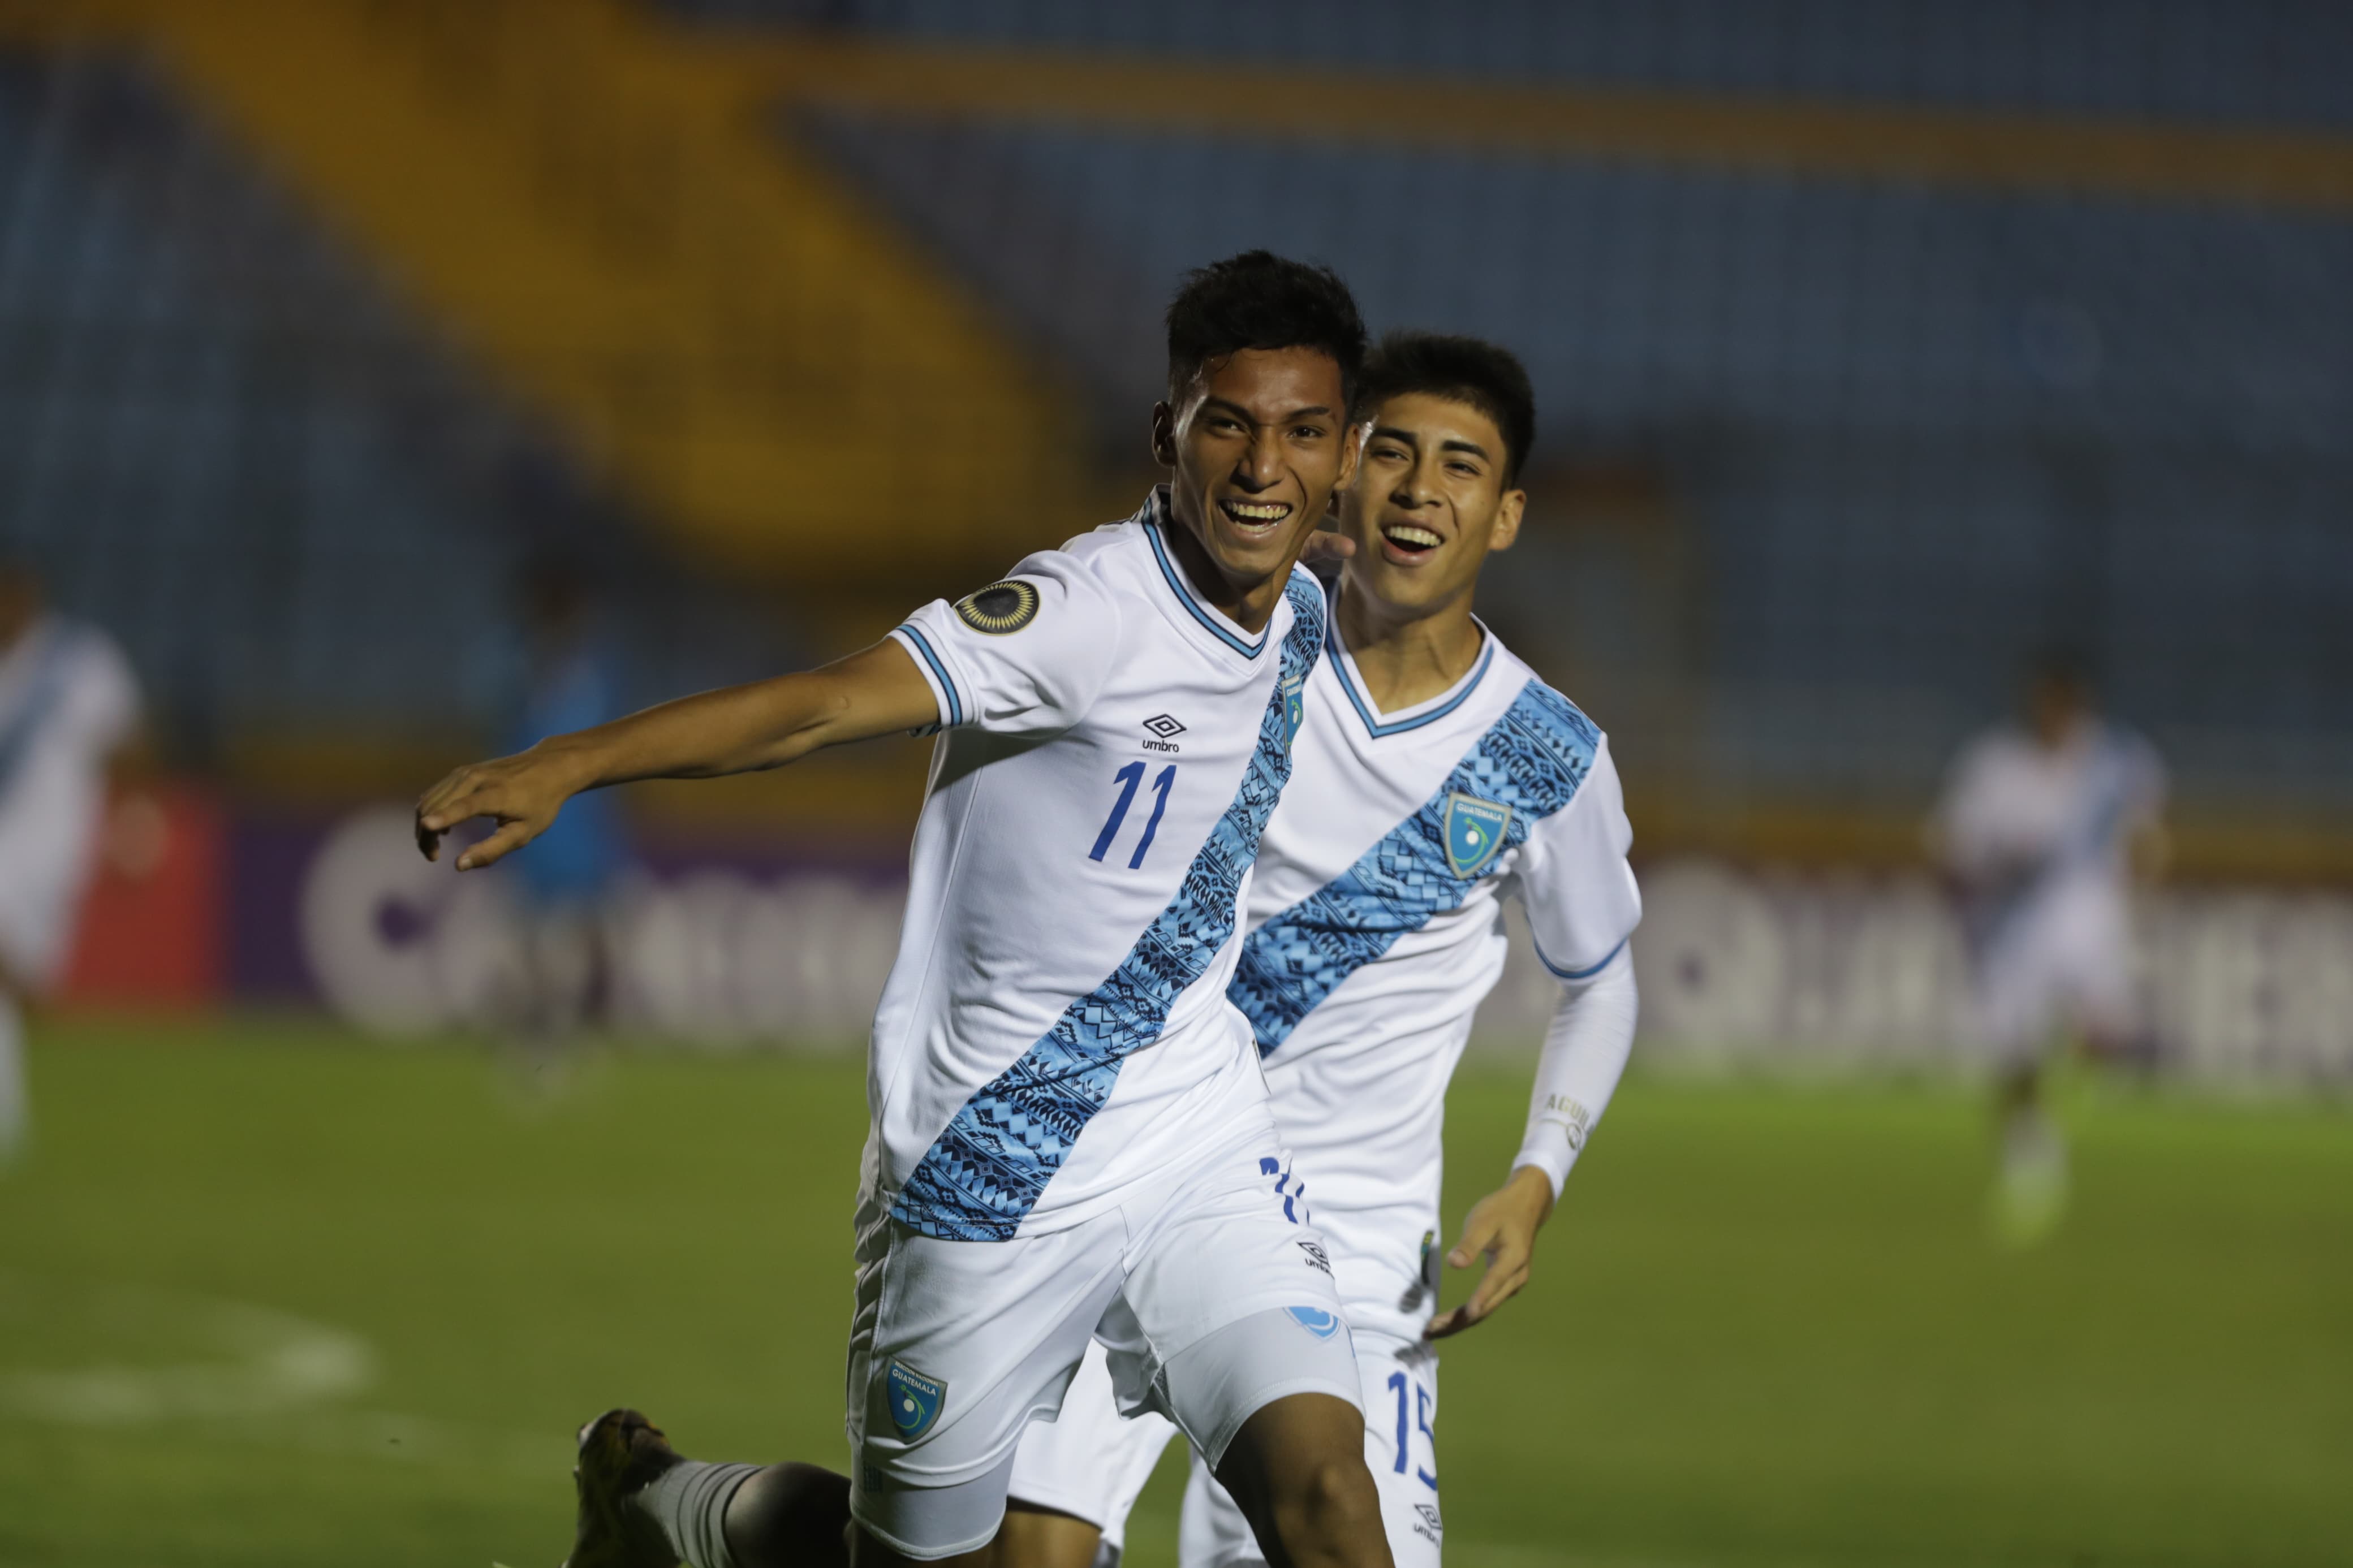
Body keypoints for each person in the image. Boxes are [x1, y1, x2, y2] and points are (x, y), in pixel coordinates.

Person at [415, 252, 1398, 1568]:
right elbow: (825, 703)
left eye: (1302, 433)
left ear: (1345, 453)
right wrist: (572, 760)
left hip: (1194, 1136)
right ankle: (660, 1504)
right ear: (1167, 433)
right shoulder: (1083, 613)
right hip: (992, 1163)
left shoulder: (1307, 607)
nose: (1263, 465)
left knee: (1328, 1498)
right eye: (1228, 425)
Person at [998, 334, 1644, 1568]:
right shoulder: (1237, 638)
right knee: (1020, 1556)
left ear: (1505, 516)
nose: (1419, 489)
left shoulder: (1547, 754)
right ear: (1345, 469)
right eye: (1392, 452)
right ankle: (702, 1510)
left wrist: (1537, 1174)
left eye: (1460, 466)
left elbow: (1599, 984)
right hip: (1137, 1173)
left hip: (1351, 1244)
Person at [1932, 653, 2165, 1245]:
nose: (2055, 718)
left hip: (2087, 919)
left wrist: (2140, 895)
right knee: (2013, 1051)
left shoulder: (2116, 762)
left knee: (2105, 1032)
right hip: (2012, 926)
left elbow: (2145, 837)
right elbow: (1957, 850)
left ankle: (2063, 1114)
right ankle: (2031, 1153)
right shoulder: (1995, 766)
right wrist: (1989, 875)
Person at [0, 556, 144, 1163]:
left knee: (28, 990)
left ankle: (9, 1119)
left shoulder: (80, 661)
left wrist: (135, 813)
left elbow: (128, 737)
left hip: (57, 849)